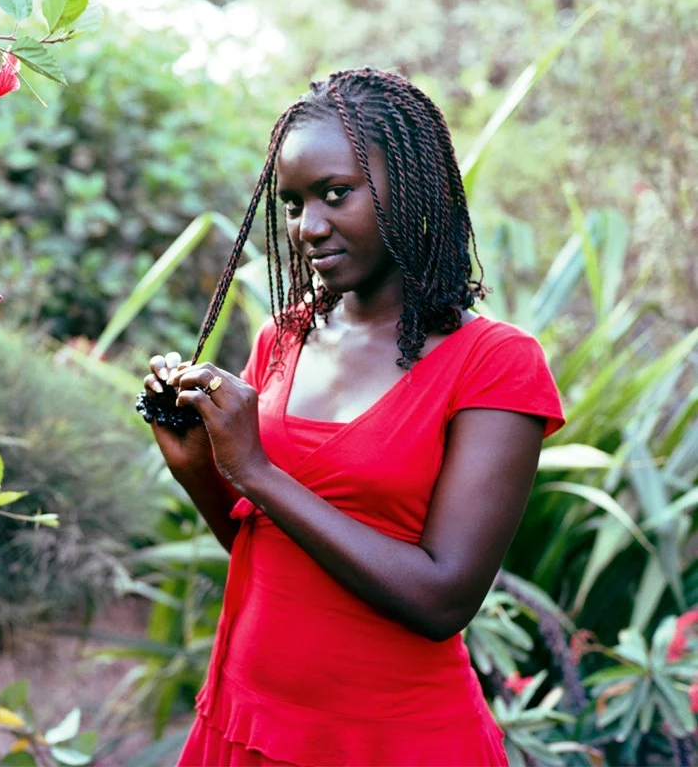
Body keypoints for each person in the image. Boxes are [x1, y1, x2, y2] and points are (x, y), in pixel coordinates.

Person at [142, 68, 565, 766]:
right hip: (246, 721)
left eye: (336, 193)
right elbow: (268, 549)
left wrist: (256, 471)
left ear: (414, 186)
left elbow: (442, 600)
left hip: (393, 742)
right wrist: (199, 470)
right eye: (292, 203)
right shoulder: (282, 339)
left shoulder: (494, 363)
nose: (308, 227)